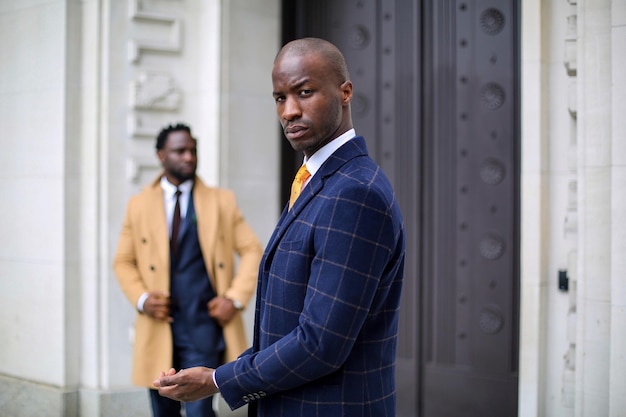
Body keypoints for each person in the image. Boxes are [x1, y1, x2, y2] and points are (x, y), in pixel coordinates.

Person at [153, 38, 406, 416]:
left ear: (345, 92)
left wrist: (218, 380)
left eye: (304, 93)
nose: (289, 111)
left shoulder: (354, 192)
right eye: (279, 98)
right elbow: (285, 323)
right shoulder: (316, 179)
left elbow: (320, 342)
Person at [113, 122, 263, 417]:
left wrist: (233, 299)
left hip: (204, 329)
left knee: (199, 412)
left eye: (192, 151)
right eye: (179, 151)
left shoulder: (222, 201)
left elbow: (252, 250)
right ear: (160, 155)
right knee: (163, 411)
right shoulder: (138, 205)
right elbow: (123, 261)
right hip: (159, 327)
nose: (189, 158)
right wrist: (143, 299)